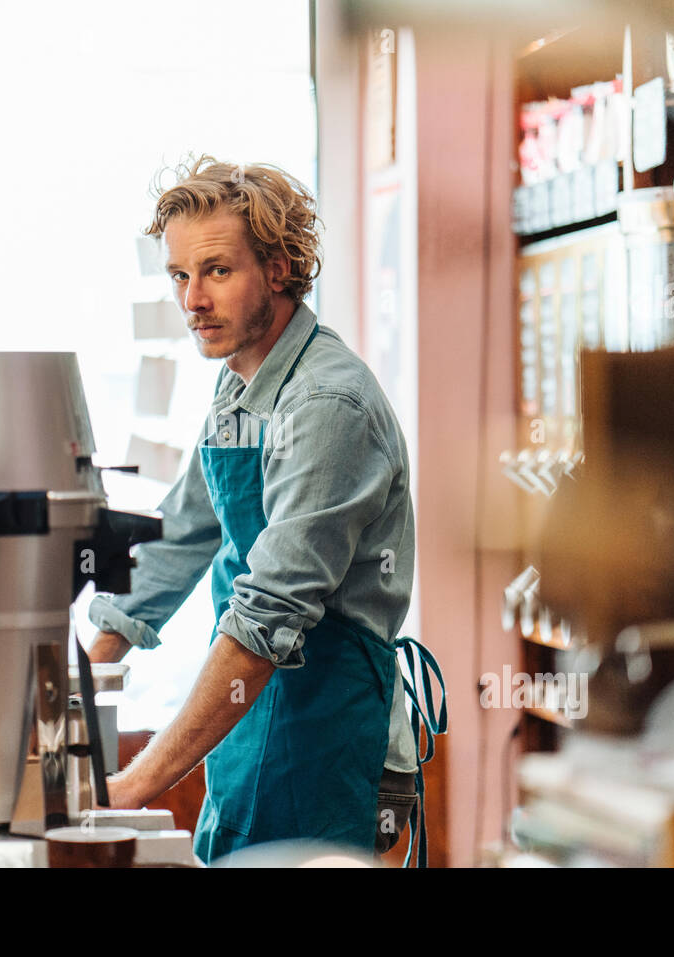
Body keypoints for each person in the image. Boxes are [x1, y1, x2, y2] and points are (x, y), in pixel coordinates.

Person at [88, 155, 445, 865]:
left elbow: (265, 617)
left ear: (278, 269)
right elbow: (181, 534)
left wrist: (133, 785)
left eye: (216, 271)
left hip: (319, 728)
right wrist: (79, 683)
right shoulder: (239, 388)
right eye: (179, 275)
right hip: (251, 725)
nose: (192, 300)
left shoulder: (325, 405)